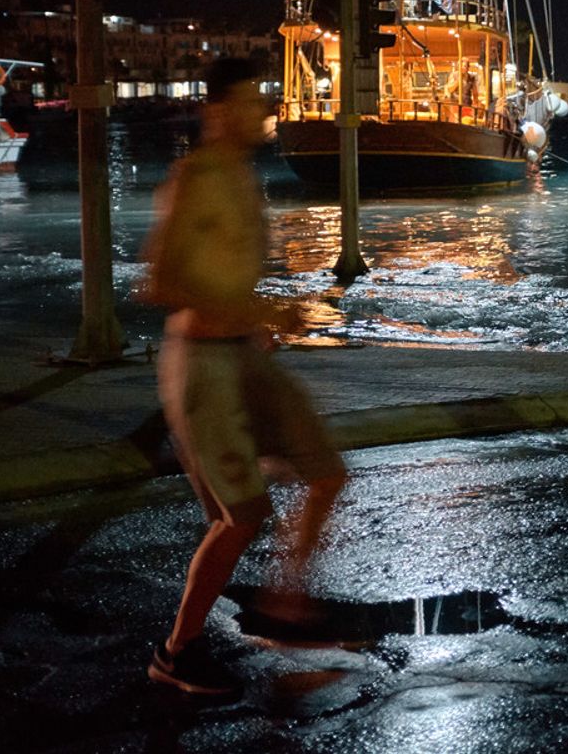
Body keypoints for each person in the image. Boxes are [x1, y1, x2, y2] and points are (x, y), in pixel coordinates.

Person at [139, 58, 346, 696]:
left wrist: (262, 320)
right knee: (241, 517)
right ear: (220, 110)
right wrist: (267, 310)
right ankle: (177, 651)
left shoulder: (242, 177)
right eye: (256, 99)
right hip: (203, 362)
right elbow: (162, 283)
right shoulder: (194, 179)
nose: (268, 110)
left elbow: (229, 271)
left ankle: (285, 606)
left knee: (325, 470)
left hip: (246, 351)